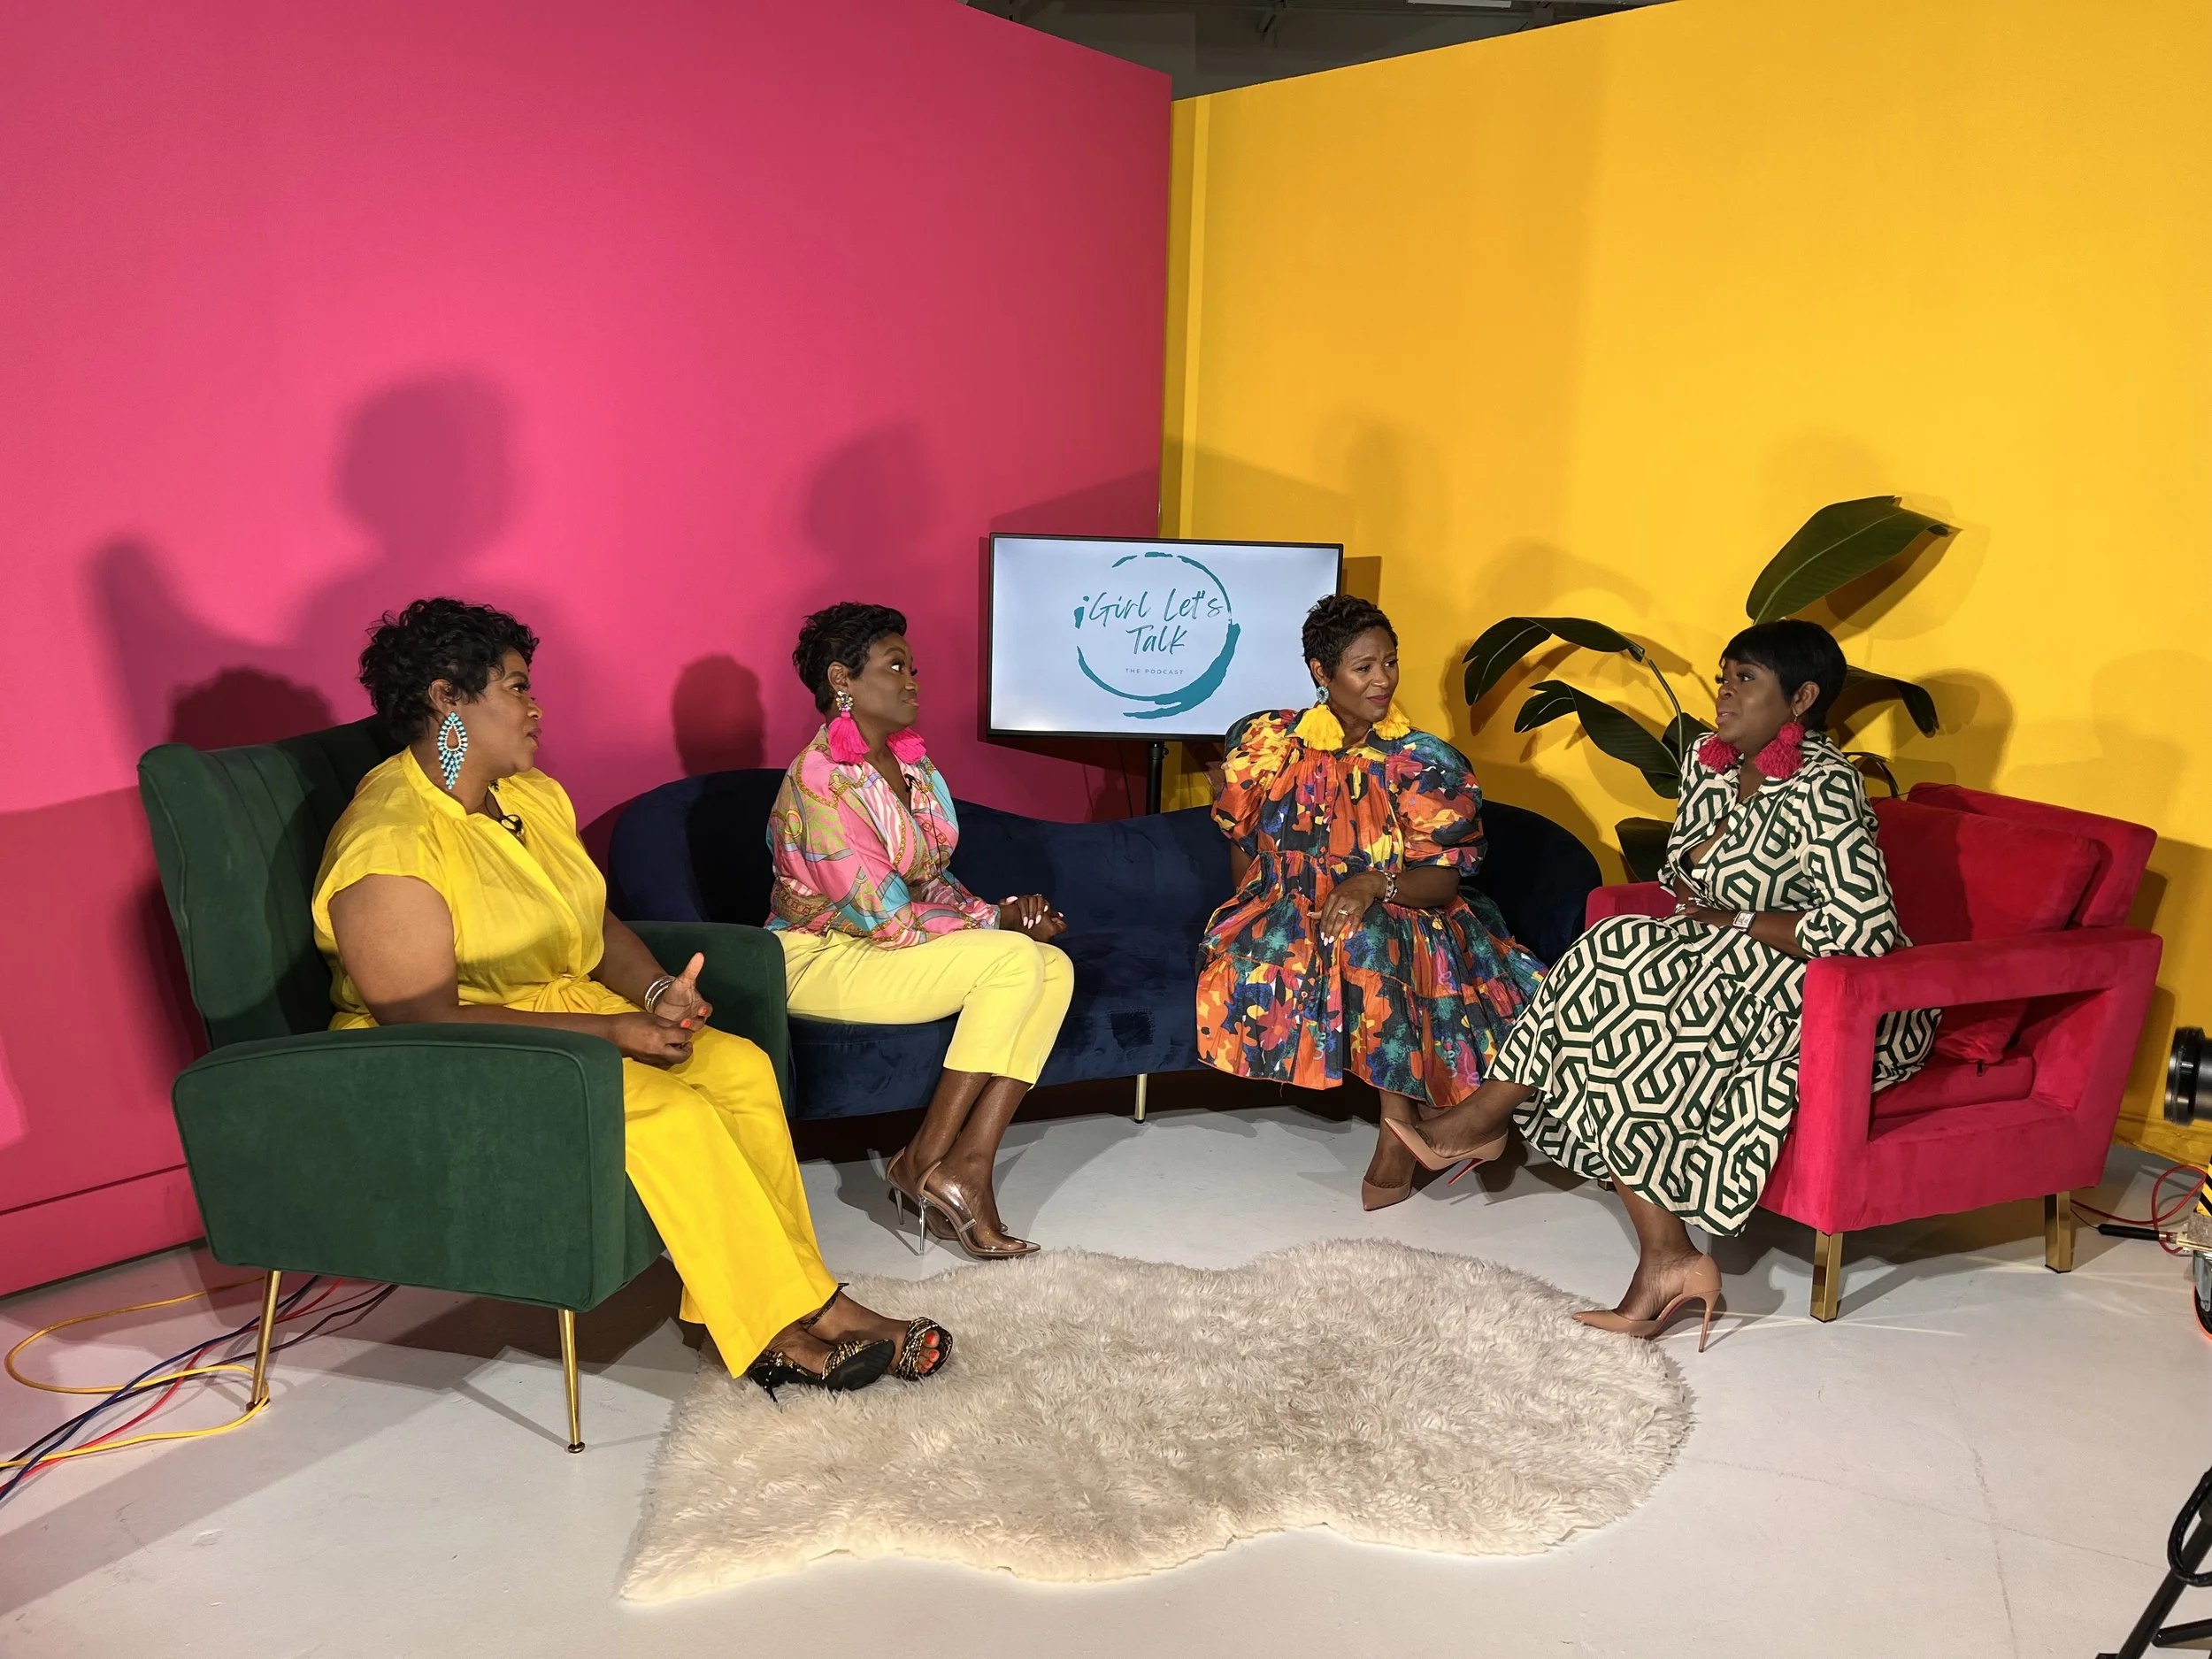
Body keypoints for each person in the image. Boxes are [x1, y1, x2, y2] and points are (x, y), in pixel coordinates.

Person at [313, 598, 946, 1394]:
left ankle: (789, 1300)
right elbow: (423, 1017)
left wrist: (653, 992)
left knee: (740, 1068)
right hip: (450, 1058)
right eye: (516, 687)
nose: (537, 707)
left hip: (560, 1018)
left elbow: (595, 921)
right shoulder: (390, 838)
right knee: (673, 1113)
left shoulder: (529, 796)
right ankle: (782, 1327)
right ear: (448, 698)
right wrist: (614, 1032)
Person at [1388, 618, 1939, 1348]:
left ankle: (1488, 1128)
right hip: (1724, 955)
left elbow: (1862, 926)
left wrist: (1738, 917)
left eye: (1746, 679)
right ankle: (1658, 1249)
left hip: (1831, 987)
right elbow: (1680, 873)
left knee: (1632, 1006)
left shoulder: (1826, 786)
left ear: (1802, 698)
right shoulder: (1711, 763)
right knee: (1611, 949)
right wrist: (1713, 876)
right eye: (1724, 676)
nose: (1724, 691)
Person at [1197, 595, 1545, 1210]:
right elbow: (1242, 839)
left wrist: (1370, 885)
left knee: (1366, 935)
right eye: (1364, 667)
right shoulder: (1270, 743)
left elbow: (1442, 884)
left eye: (1390, 662)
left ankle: (1396, 1132)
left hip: (1411, 910)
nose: (1383, 679)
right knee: (1301, 937)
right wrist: (1257, 901)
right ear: (1321, 672)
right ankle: (1439, 1122)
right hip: (1295, 903)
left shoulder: (1422, 761)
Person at [767, 603, 1072, 1259]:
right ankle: (925, 1158)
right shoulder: (820, 781)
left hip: (882, 947)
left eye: (913, 668)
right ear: (843, 679)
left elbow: (930, 879)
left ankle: (968, 1166)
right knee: (1014, 961)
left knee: (1054, 965)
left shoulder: (911, 767)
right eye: (895, 666)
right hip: (816, 957)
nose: (913, 681)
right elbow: (887, 917)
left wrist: (1005, 914)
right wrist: (995, 928)